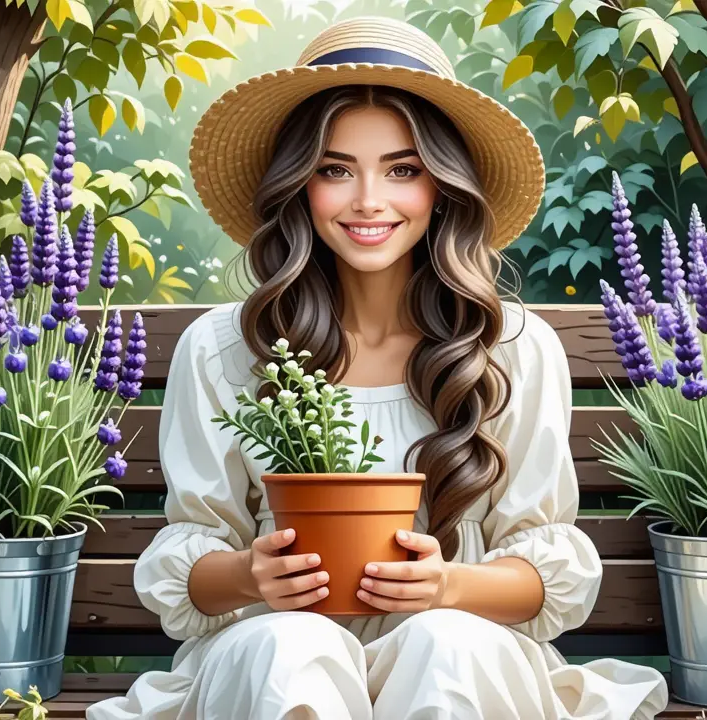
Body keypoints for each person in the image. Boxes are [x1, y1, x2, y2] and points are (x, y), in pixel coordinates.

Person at [87, 15, 669, 720]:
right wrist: (250, 575)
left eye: (403, 169)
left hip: (465, 656)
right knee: (288, 648)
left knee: (445, 645)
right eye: (335, 169)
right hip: (269, 655)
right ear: (299, 185)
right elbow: (194, 558)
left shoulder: (510, 346)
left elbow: (544, 569)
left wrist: (447, 585)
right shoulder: (224, 347)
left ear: (443, 187)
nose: (368, 200)